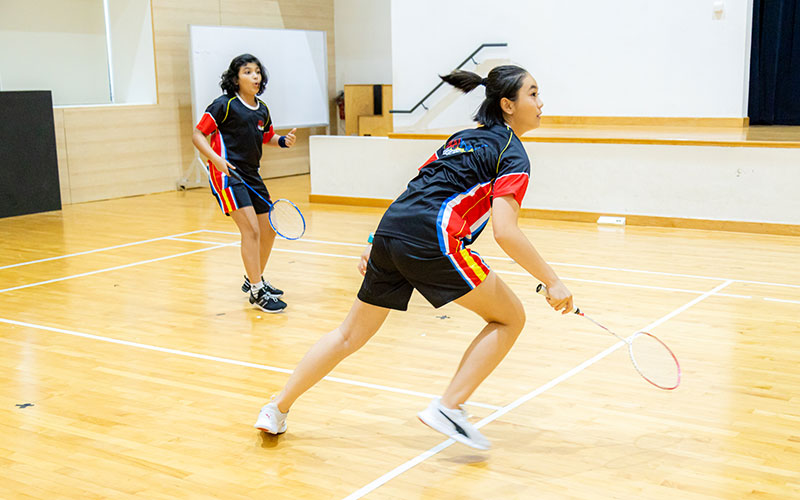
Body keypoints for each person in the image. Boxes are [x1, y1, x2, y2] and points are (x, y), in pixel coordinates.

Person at [254, 65, 573, 449]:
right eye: (533, 94)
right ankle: (449, 407)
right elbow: (505, 231)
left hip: (394, 230)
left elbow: (416, 187)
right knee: (510, 317)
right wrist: (553, 281)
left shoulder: (461, 139)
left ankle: (277, 407)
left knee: (348, 335)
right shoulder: (513, 153)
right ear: (508, 104)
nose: (541, 103)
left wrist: (376, 239)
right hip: (433, 237)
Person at [192, 53, 297, 313]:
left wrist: (283, 141)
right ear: (236, 78)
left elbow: (267, 136)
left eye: (257, 72)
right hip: (227, 174)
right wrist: (215, 159)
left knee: (268, 229)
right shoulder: (224, 104)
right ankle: (257, 290)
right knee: (251, 230)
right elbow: (198, 134)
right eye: (247, 72)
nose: (255, 76)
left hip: (252, 174)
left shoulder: (262, 108)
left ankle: (254, 278)